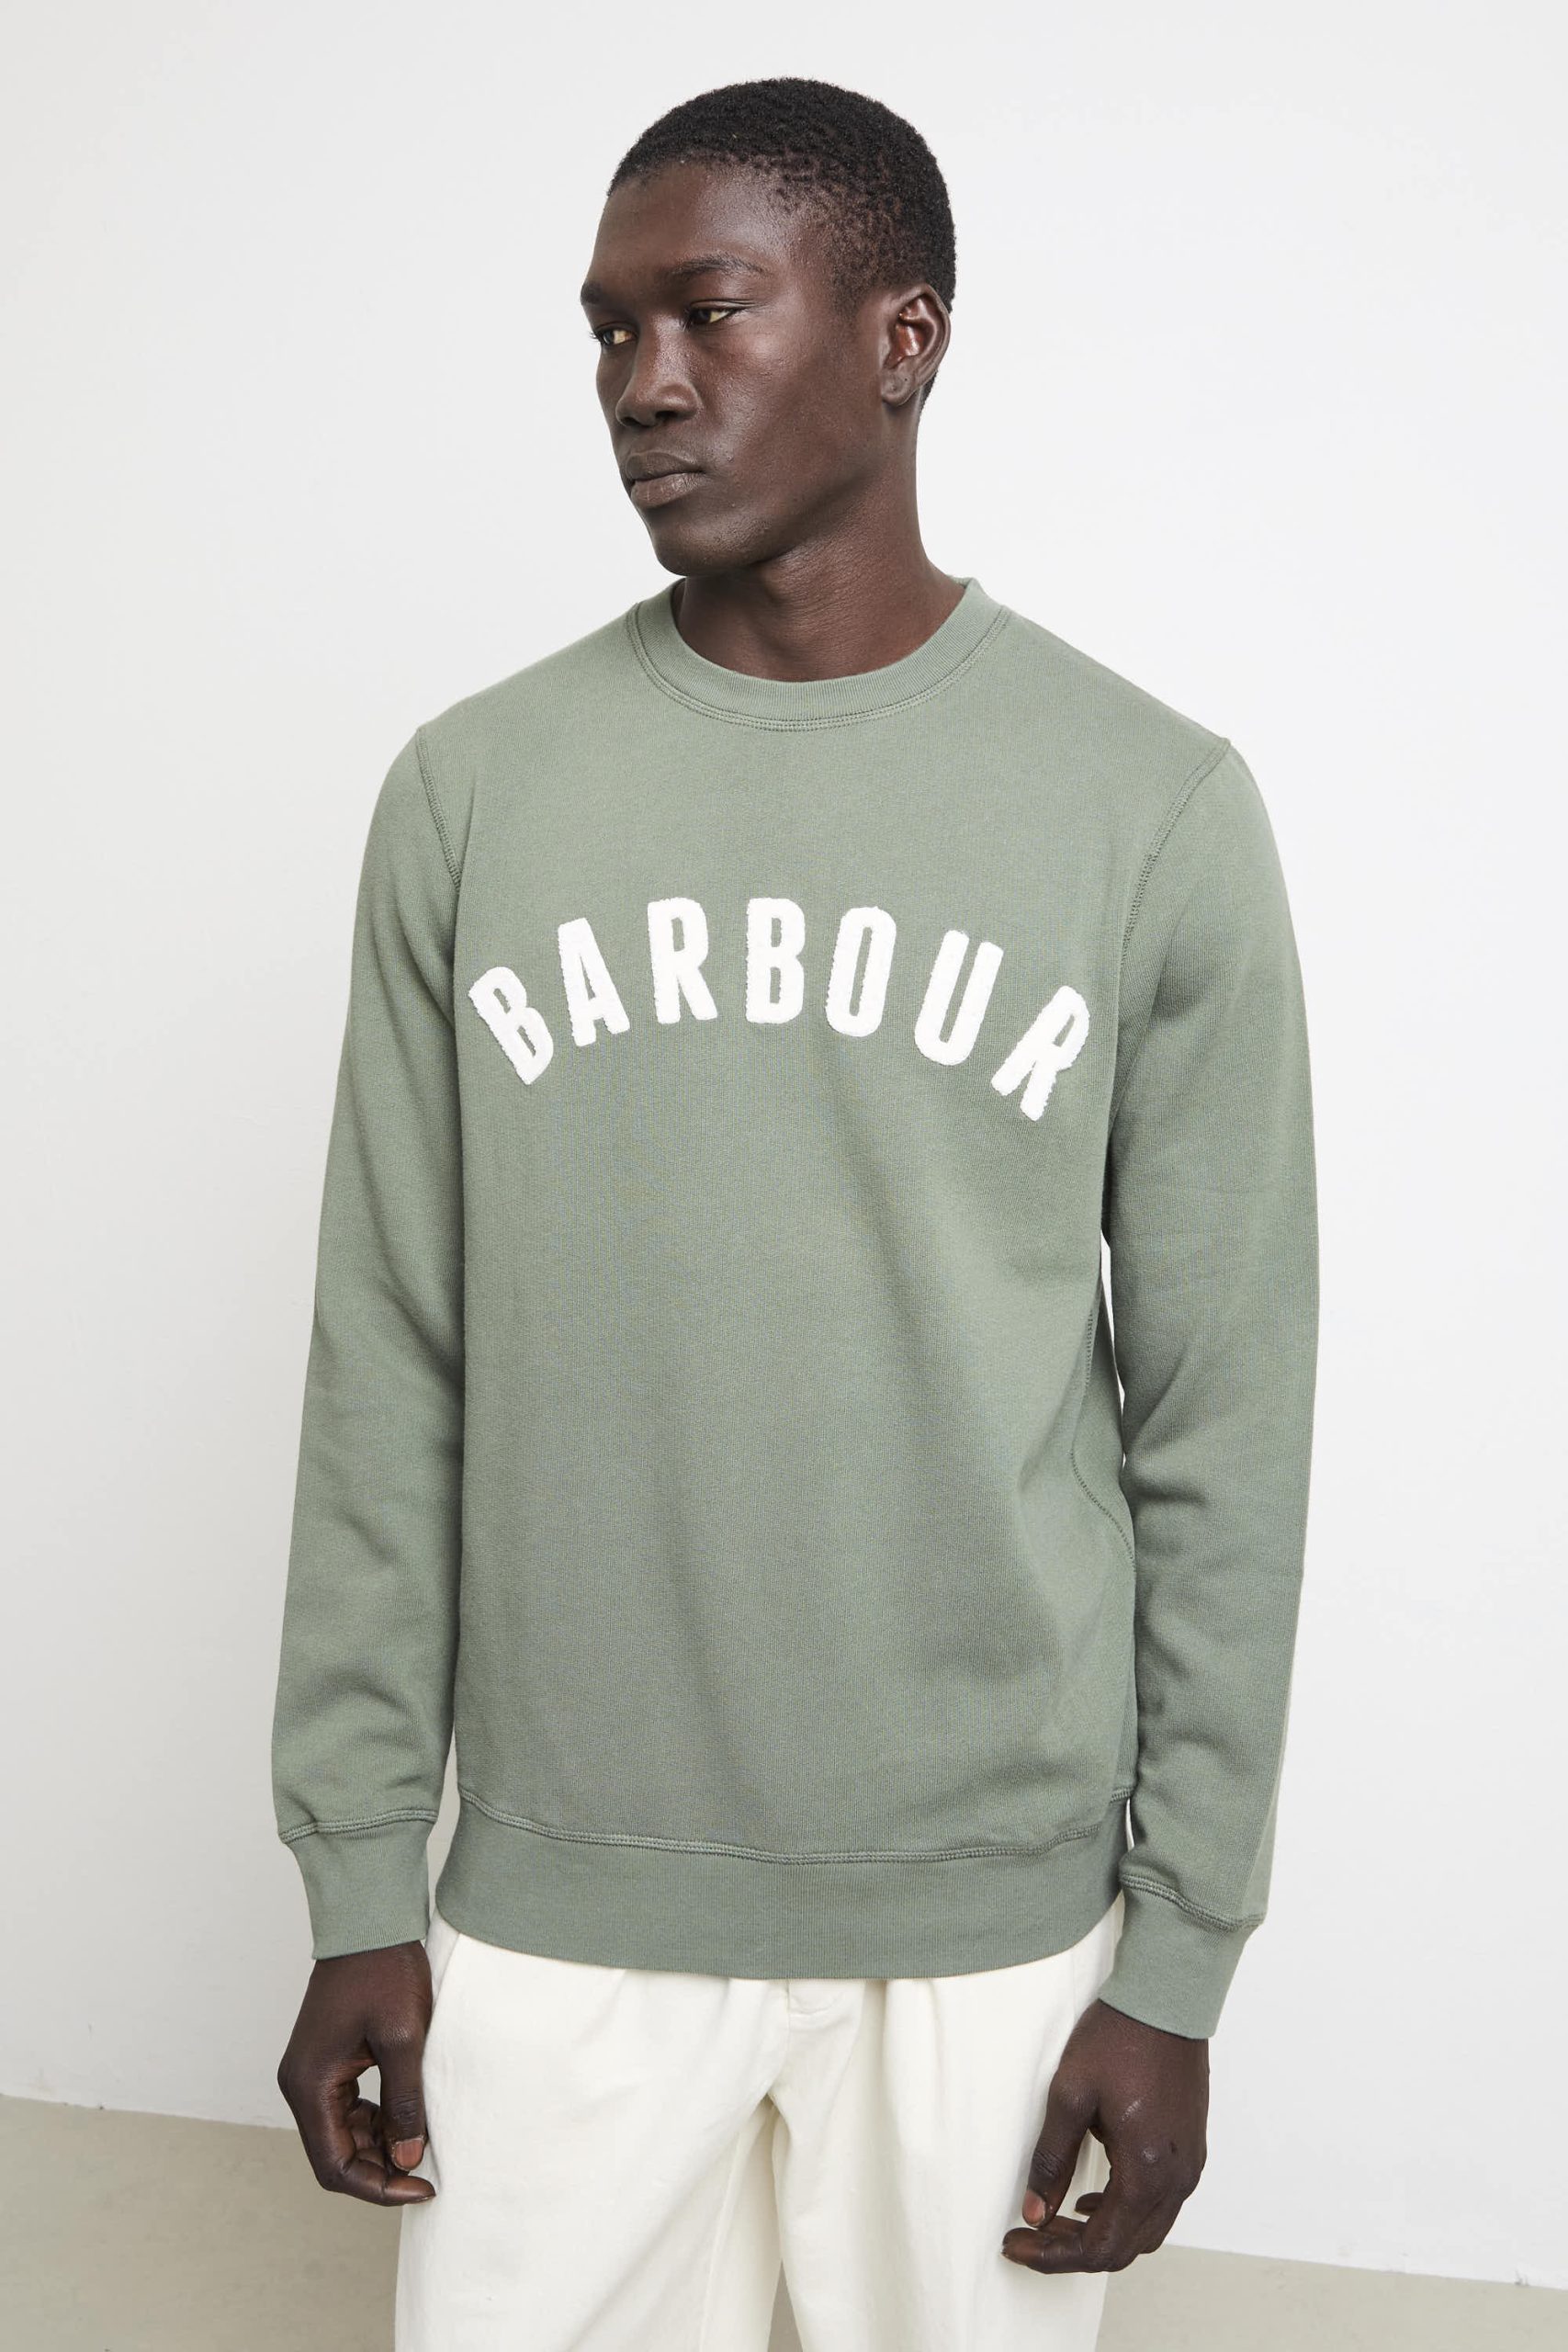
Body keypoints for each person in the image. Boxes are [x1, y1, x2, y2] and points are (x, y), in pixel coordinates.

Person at [271, 74, 1318, 2352]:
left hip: (991, 1921)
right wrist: (357, 1874)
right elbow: (389, 1361)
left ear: (900, 335)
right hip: (562, 1899)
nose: (644, 382)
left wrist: (1175, 1956)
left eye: (709, 311)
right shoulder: (474, 795)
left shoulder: (1144, 809)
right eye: (607, 329)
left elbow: (1220, 1429)